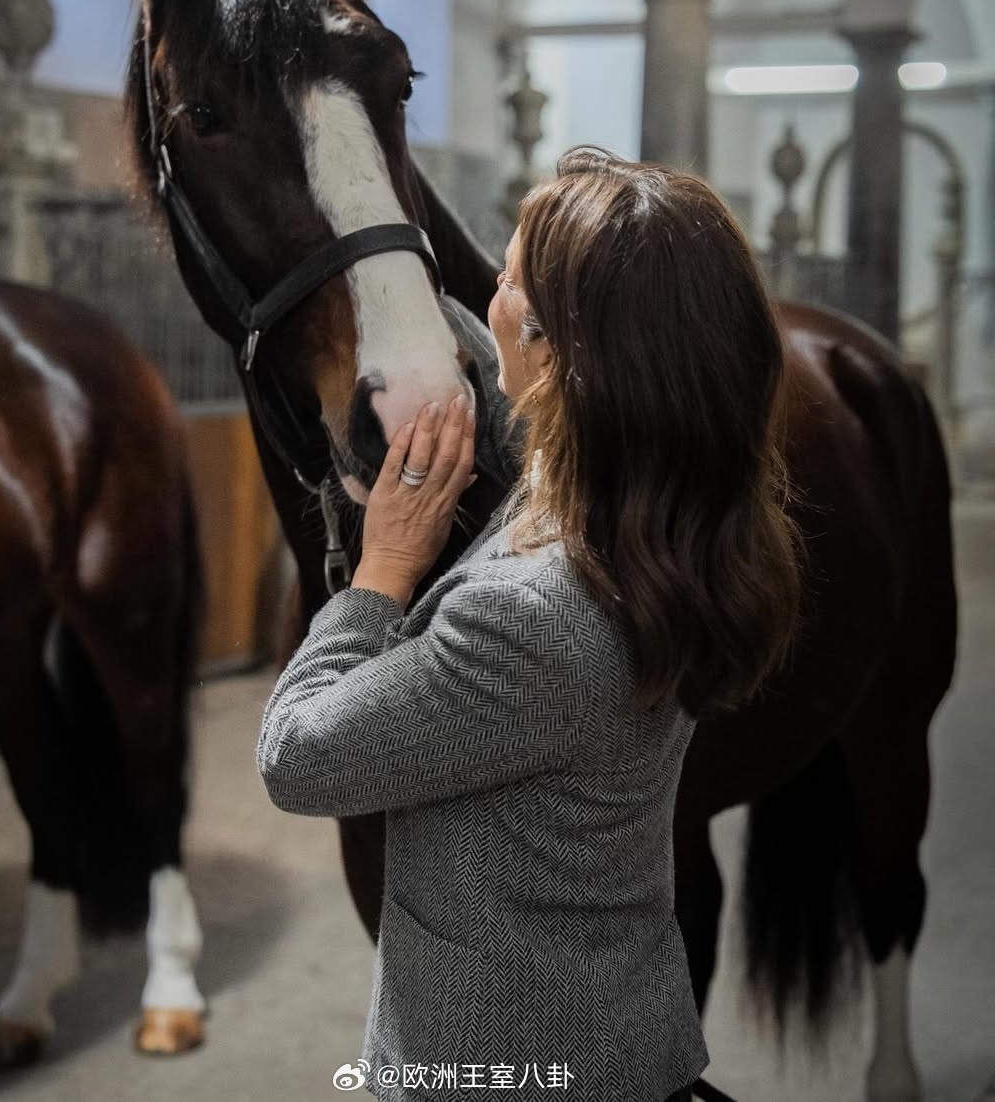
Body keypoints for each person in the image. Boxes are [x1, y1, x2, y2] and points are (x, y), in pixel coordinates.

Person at [257, 146, 802, 1102]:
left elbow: (298, 758)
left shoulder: (535, 616)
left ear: (559, 352)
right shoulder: (651, 514)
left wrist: (380, 570)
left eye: (505, 280)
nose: (487, 300)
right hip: (618, 1034)